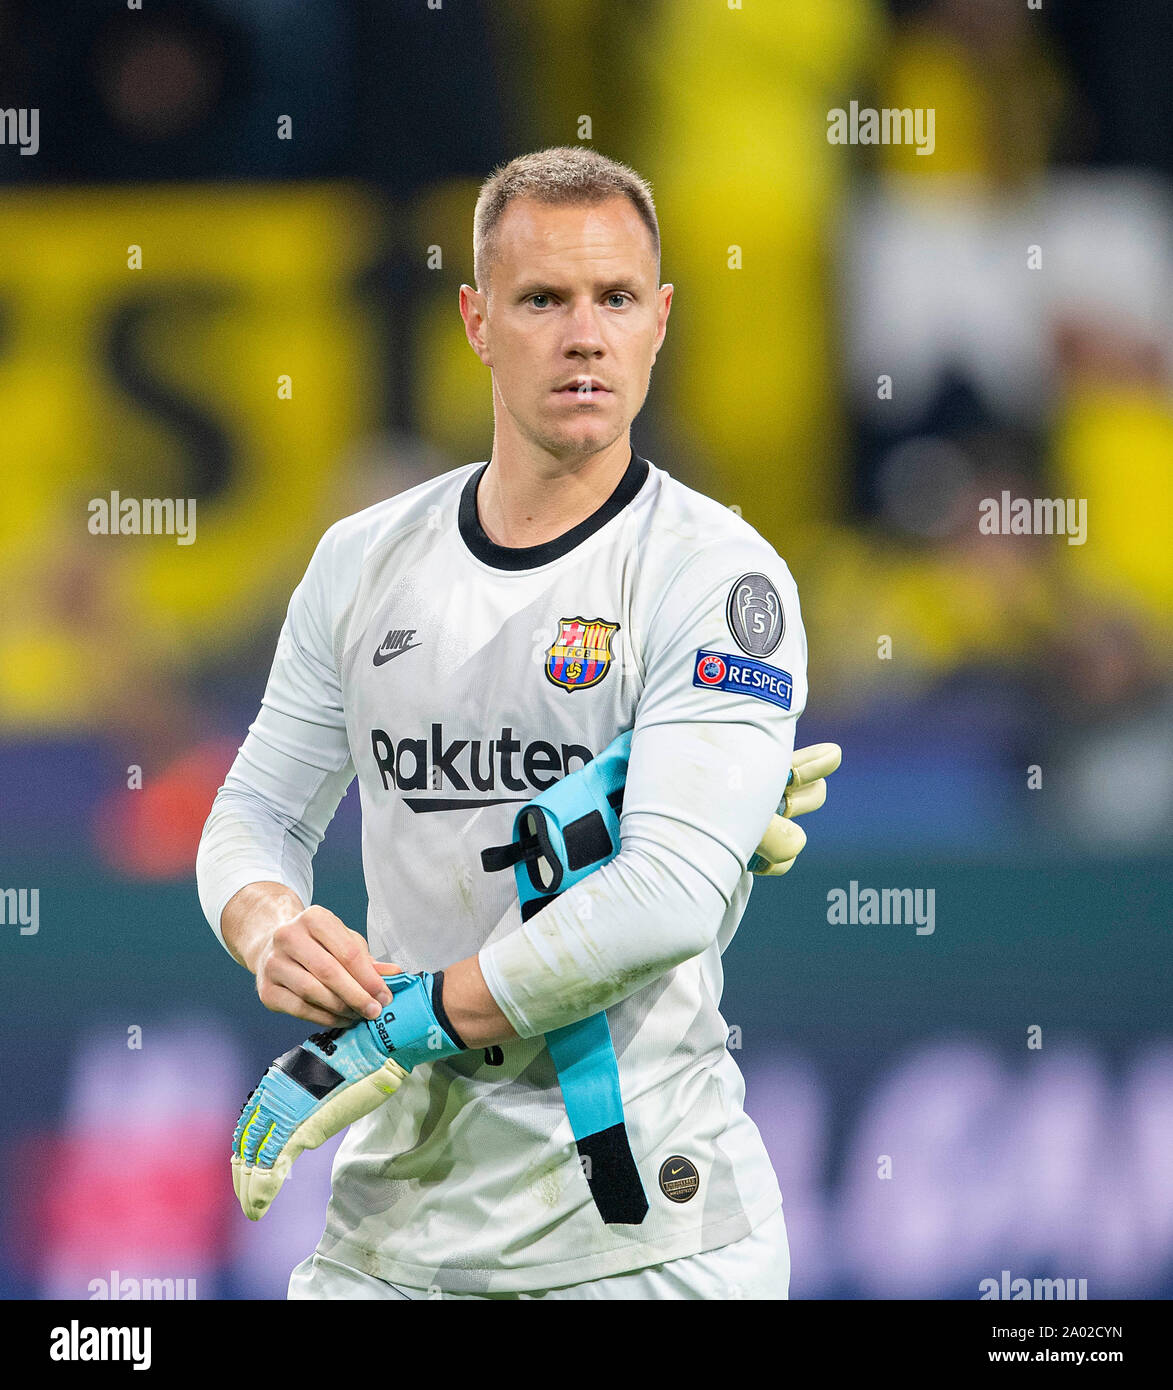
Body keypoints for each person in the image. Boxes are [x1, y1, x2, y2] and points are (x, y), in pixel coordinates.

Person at [197, 145, 829, 1300]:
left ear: (660, 321)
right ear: (477, 320)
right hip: (392, 1235)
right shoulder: (362, 561)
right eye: (543, 299)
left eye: (616, 300)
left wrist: (392, 1027)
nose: (584, 335)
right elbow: (256, 811)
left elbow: (666, 896)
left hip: (642, 1239)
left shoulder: (718, 577)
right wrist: (271, 924)